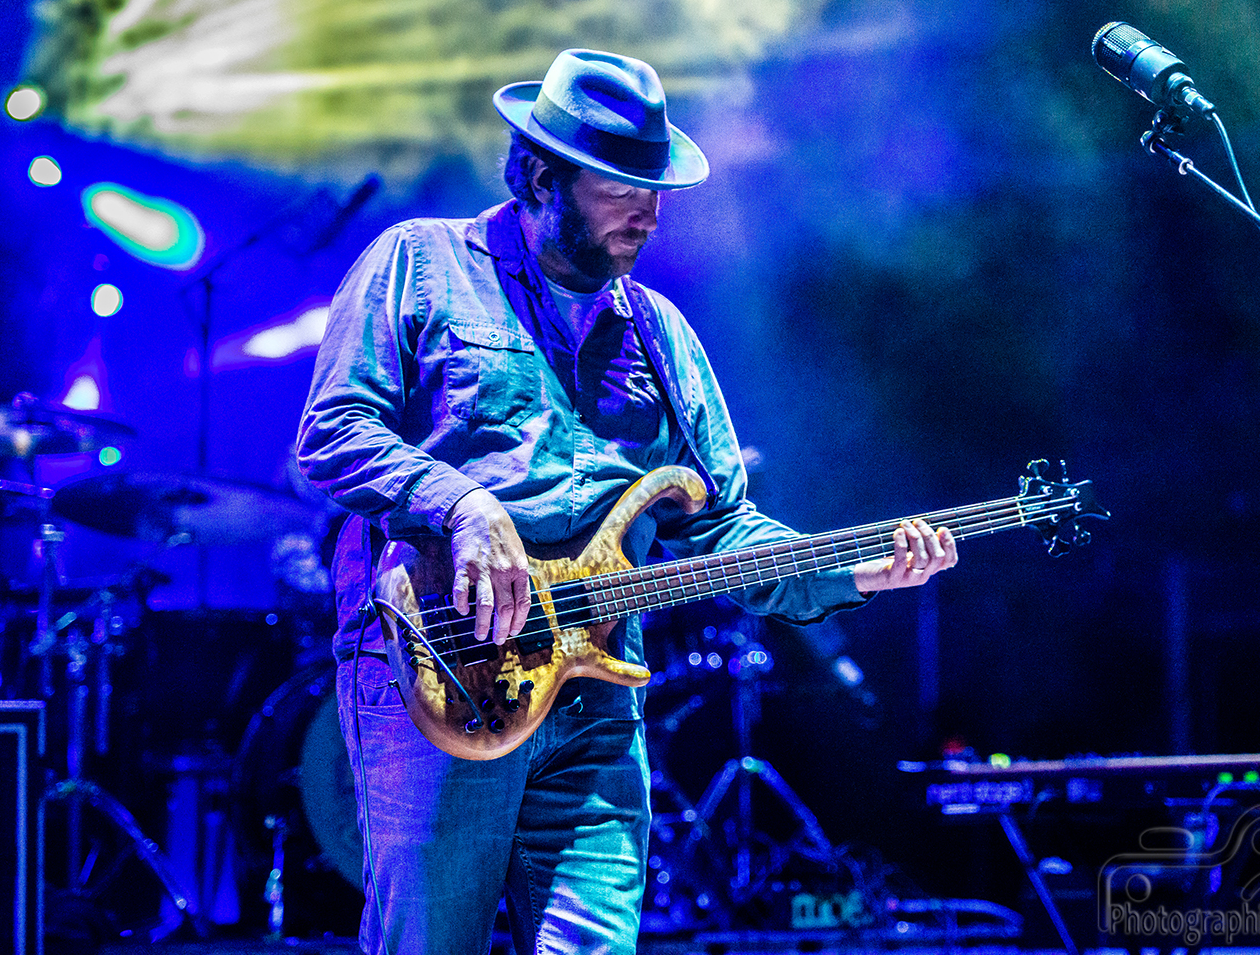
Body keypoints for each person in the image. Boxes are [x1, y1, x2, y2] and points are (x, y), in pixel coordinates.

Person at [295, 48, 957, 955]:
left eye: (655, 188)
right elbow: (332, 430)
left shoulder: (661, 334)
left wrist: (847, 570)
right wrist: (462, 505)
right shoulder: (420, 263)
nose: (647, 211)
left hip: (598, 700)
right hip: (440, 670)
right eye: (619, 188)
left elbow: (719, 523)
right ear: (540, 178)